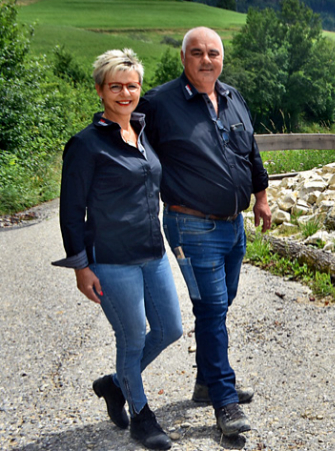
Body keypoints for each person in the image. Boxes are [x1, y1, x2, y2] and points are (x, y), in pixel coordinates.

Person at [138, 26, 271, 436]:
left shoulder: (232, 98)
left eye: (214, 52)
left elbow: (251, 150)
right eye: (197, 52)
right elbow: (129, 147)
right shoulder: (159, 104)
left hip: (234, 226)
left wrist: (261, 197)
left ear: (222, 58)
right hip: (190, 224)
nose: (206, 59)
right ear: (183, 58)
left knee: (222, 302)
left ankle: (204, 381)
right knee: (212, 309)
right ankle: (224, 402)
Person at [54, 49, 182, 451]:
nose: (125, 93)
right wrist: (80, 267)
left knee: (169, 330)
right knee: (131, 339)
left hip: (152, 252)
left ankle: (114, 384)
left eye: (132, 85)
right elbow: (71, 211)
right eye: (116, 86)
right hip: (111, 260)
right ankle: (142, 418)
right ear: (100, 90)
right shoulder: (86, 145)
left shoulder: (142, 134)